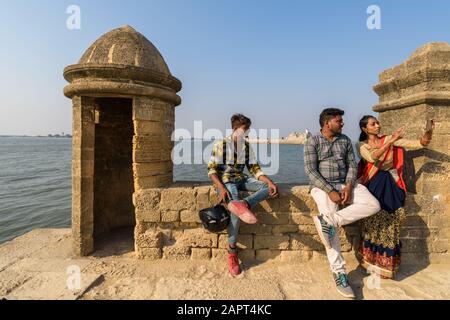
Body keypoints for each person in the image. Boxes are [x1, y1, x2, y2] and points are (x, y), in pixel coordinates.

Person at [304, 108, 381, 299]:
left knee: (373, 205)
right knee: (330, 234)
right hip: (322, 187)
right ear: (326, 123)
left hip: (346, 184)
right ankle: (339, 273)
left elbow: (352, 166)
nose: (343, 123)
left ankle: (331, 220)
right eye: (339, 121)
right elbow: (311, 171)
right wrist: (330, 190)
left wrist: (347, 186)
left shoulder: (345, 140)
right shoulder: (312, 141)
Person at [356, 116, 434, 279]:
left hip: (391, 184)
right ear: (365, 129)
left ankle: (387, 266)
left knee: (392, 223)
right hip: (374, 184)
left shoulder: (388, 139)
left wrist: (428, 132)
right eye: (373, 124)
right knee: (373, 222)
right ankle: (370, 261)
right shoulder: (362, 145)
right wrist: (391, 141)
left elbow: (419, 143)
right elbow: (373, 157)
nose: (377, 125)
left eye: (377, 122)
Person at [207, 113, 279, 276]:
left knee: (269, 188)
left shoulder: (246, 147)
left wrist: (269, 181)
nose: (246, 133)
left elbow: (254, 169)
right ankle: (232, 251)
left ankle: (244, 204)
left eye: (247, 130)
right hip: (226, 182)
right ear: (235, 129)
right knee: (234, 214)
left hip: (241, 179)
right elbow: (211, 170)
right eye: (244, 129)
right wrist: (221, 188)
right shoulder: (221, 144)